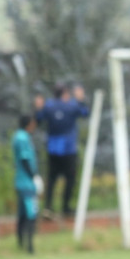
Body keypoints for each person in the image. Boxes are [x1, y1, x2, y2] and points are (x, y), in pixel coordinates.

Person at [33, 82, 89, 219]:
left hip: (53, 149)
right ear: (65, 93)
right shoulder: (71, 105)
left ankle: (48, 207)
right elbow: (86, 113)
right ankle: (66, 208)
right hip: (69, 149)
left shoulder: (48, 106)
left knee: (51, 179)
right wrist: (81, 99)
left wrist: (38, 108)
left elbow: (38, 119)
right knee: (70, 179)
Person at [12, 115, 42, 254]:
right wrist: (34, 176)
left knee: (22, 213)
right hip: (27, 183)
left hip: (20, 181)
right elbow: (24, 160)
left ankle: (20, 243)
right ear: (29, 124)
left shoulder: (18, 136)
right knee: (31, 213)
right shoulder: (23, 138)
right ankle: (30, 247)